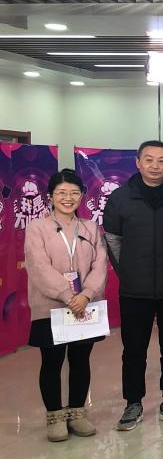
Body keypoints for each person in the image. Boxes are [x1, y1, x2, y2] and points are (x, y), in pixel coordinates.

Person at [104, 140, 163, 431]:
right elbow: (113, 240)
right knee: (133, 350)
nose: (155, 166)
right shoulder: (121, 198)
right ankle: (133, 402)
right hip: (134, 290)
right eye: (149, 160)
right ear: (138, 162)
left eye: (162, 160)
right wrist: (128, 272)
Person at [24, 170, 107, 442]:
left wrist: (87, 294)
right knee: (52, 361)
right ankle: (55, 417)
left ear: (82, 196)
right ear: (50, 196)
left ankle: (77, 413)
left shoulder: (90, 228)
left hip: (85, 306)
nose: (67, 198)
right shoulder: (37, 228)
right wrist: (67, 295)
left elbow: (100, 264)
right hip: (51, 306)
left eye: (74, 193)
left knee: (81, 360)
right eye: (61, 193)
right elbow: (38, 266)